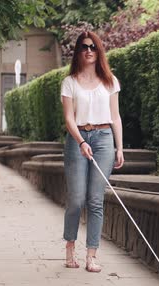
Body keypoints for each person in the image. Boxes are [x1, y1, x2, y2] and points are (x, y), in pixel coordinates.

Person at [60, 31, 124, 272]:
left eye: (93, 47)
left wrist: (119, 147)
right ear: (78, 51)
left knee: (96, 200)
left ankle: (91, 256)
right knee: (76, 200)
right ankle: (69, 248)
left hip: (104, 139)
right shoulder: (70, 82)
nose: (89, 51)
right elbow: (68, 118)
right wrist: (80, 141)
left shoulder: (110, 81)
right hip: (78, 138)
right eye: (84, 47)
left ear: (99, 51)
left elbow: (115, 117)